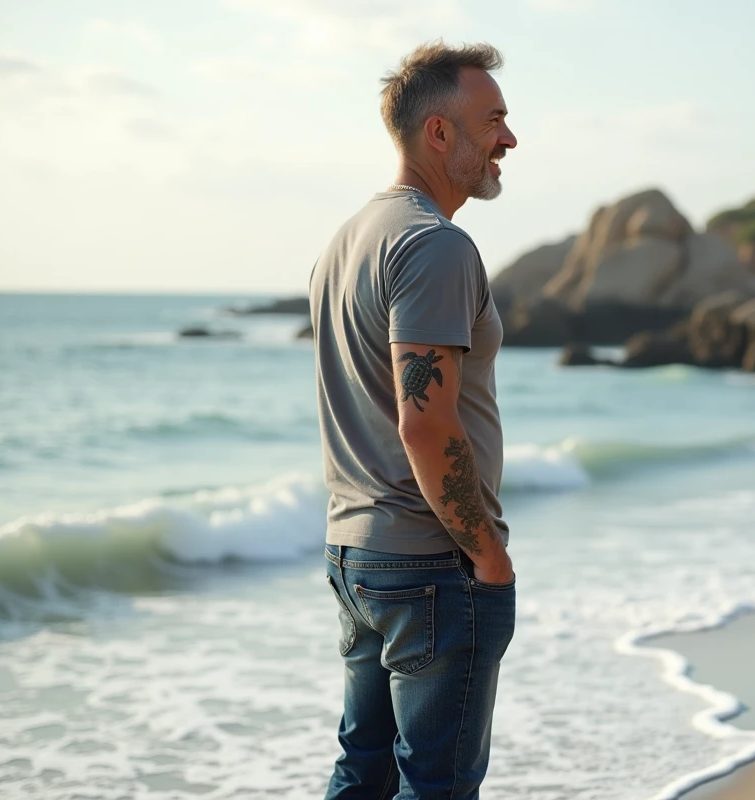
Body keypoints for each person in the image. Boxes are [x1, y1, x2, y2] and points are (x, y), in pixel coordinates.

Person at [308, 41, 518, 800]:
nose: (509, 138)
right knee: (434, 786)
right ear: (439, 133)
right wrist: (486, 553)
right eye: (493, 120)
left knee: (360, 773)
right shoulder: (435, 245)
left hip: (355, 553)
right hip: (430, 563)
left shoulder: (348, 241)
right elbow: (424, 422)